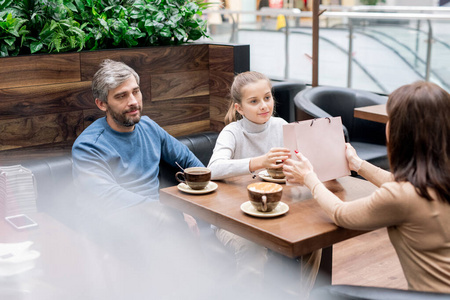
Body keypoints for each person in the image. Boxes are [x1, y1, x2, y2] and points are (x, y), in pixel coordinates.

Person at [283, 81, 450, 293]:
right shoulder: (436, 180)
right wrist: (358, 164)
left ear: (402, 133)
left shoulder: (400, 196)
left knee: (325, 294)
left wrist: (309, 177)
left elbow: (340, 213)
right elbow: (404, 186)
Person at [71, 59, 213, 298]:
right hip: (118, 225)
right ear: (101, 104)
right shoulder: (88, 147)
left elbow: (189, 162)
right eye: (121, 96)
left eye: (136, 91)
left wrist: (209, 196)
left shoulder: (148, 126)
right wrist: (173, 212)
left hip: (160, 221)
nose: (133, 102)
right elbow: (108, 198)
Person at [207, 71, 321, 297]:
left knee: (313, 239)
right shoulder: (233, 132)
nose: (263, 106)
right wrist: (260, 162)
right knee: (253, 249)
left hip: (275, 211)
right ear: (239, 108)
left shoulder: (280, 125)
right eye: (253, 101)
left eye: (267, 98)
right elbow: (213, 169)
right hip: (233, 217)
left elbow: (300, 161)